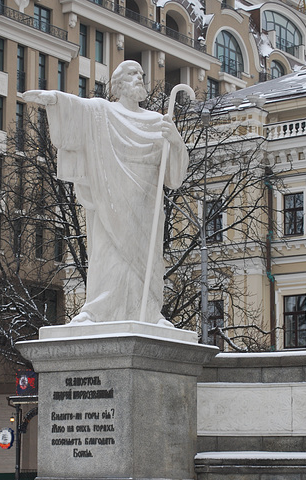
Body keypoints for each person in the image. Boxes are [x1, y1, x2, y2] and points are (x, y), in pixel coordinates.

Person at [23, 60, 189, 325]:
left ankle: (148, 313)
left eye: (142, 75)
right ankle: (96, 311)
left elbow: (173, 178)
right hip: (109, 194)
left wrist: (176, 143)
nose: (140, 78)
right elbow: (77, 108)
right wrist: (52, 99)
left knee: (145, 259)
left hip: (146, 203)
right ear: (119, 84)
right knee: (107, 254)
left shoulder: (158, 122)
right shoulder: (103, 112)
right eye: (133, 74)